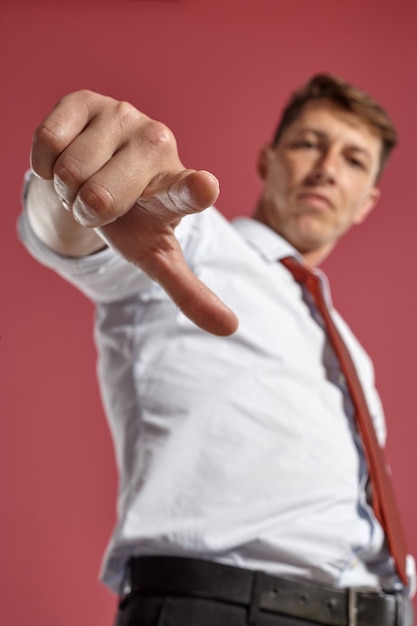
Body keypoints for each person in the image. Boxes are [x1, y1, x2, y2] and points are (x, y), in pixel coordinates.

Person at [18, 74, 415, 626]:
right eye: (308, 144)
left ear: (367, 201)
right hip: (220, 608)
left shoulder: (347, 347)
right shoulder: (191, 241)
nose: (326, 167)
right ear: (267, 160)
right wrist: (73, 184)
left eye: (354, 160)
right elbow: (72, 232)